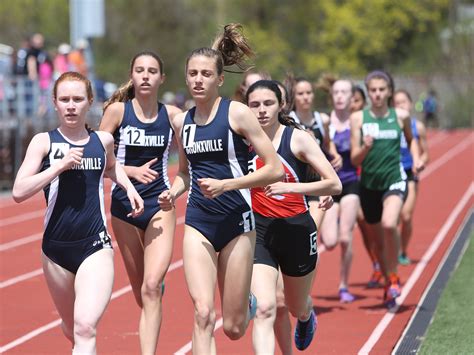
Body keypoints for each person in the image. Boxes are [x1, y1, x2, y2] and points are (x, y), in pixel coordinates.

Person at [158, 24, 284, 354]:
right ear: (186, 79)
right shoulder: (183, 122)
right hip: (199, 222)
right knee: (202, 313)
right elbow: (185, 173)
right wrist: (173, 191)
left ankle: (247, 302)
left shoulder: (237, 114)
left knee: (233, 327)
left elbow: (275, 169)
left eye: (206, 74)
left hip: (237, 223)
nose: (199, 80)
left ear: (219, 79)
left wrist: (229, 183)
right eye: (193, 74)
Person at [12, 71, 143, 354]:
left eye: (77, 99)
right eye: (64, 100)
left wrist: (128, 186)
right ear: (55, 104)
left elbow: (110, 166)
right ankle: (70, 329)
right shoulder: (43, 142)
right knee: (73, 329)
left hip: (94, 245)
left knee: (85, 327)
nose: (71, 105)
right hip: (55, 252)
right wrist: (57, 167)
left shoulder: (102, 141)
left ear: (89, 102)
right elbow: (19, 192)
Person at [246, 80, 341, 354]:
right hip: (260, 231)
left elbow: (334, 184)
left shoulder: (297, 138)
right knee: (265, 307)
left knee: (295, 304)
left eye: (268, 103)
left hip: (297, 230)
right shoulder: (243, 140)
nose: (262, 110)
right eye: (255, 105)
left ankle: (306, 316)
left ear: (281, 105)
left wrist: (290, 187)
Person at [99, 51, 182, 354]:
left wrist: (172, 191)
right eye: (139, 70)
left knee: (150, 289)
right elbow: (99, 159)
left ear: (162, 78)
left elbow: (187, 164)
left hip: (159, 206)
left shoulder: (172, 115)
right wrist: (130, 171)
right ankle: (154, 286)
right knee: (141, 293)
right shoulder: (118, 113)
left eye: (152, 71)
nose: (145, 76)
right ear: (132, 76)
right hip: (124, 207)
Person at [350, 70, 423, 307]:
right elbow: (355, 160)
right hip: (369, 185)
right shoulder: (358, 119)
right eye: (373, 90)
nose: (377, 94)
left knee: (390, 223)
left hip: (394, 178)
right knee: (378, 244)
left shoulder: (400, 116)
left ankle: (393, 279)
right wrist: (365, 148)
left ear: (389, 91)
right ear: (368, 91)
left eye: (382, 90)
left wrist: (416, 159)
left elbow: (412, 140)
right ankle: (390, 279)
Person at [320, 79, 360, 303]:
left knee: (346, 237)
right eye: (336, 92)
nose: (340, 96)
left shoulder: (358, 121)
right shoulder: (325, 121)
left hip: (351, 182)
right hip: (329, 185)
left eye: (345, 92)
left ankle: (344, 285)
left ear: (352, 95)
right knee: (331, 240)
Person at [287, 76, 342, 231]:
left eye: (308, 93)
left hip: (316, 182)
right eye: (300, 93)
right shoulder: (288, 121)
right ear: (294, 96)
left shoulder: (322, 119)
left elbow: (327, 143)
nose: (305, 97)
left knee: (311, 231)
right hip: (295, 181)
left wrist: (335, 155)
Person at [393, 89, 429, 265]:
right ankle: (391, 250)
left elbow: (425, 154)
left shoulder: (417, 126)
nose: (400, 105)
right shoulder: (389, 124)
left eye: (403, 102)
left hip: (409, 173)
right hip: (391, 173)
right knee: (392, 217)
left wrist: (419, 162)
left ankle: (403, 251)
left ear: (410, 103)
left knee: (406, 216)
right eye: (397, 102)